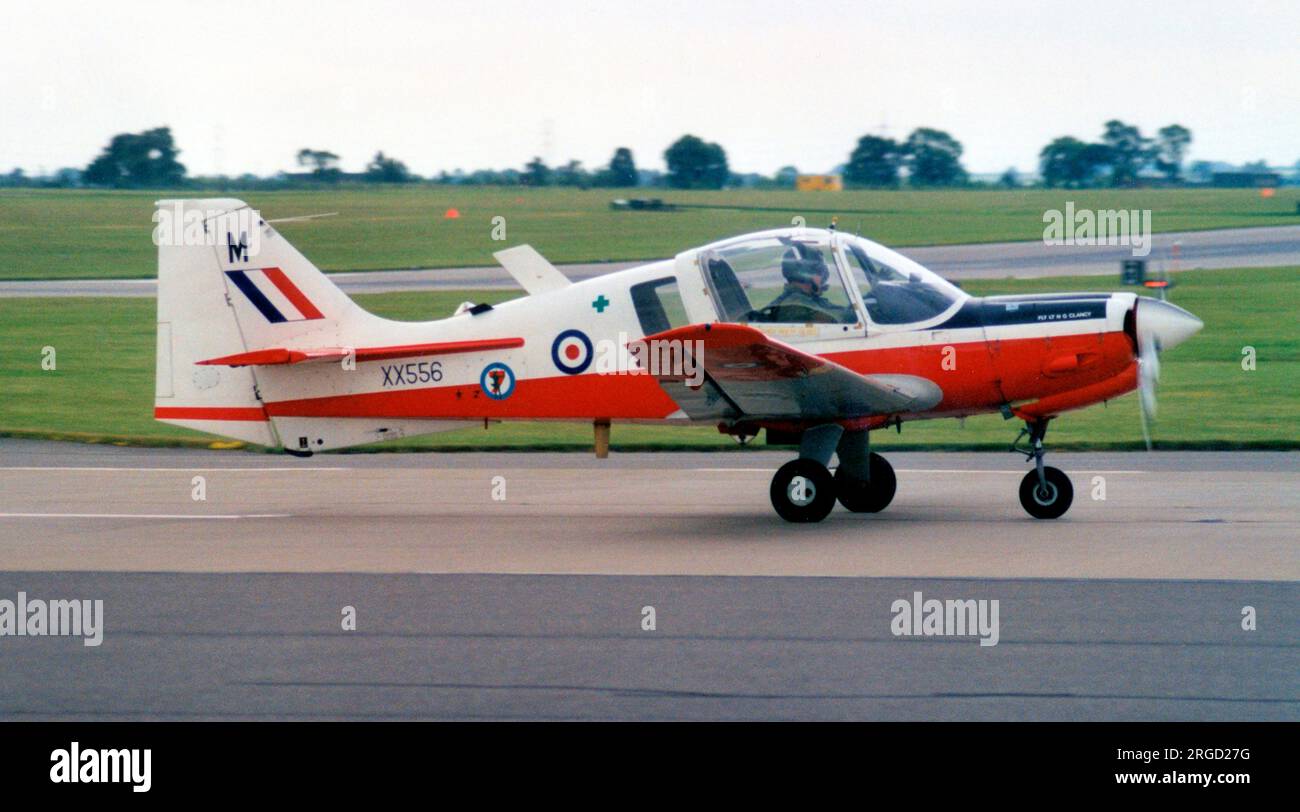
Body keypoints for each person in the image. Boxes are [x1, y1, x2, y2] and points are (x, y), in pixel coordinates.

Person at [765, 246, 856, 323]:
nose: (823, 277)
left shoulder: (806, 299)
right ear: (806, 275)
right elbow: (838, 319)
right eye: (819, 271)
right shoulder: (797, 305)